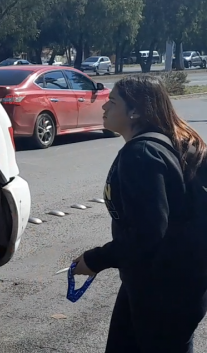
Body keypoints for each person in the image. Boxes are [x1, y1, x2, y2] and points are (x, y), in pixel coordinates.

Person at [72, 75, 207, 352]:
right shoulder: (172, 141)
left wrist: (95, 259)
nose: (104, 107)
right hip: (173, 282)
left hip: (163, 292)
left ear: (134, 110)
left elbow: (147, 234)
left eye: (112, 101)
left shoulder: (142, 154)